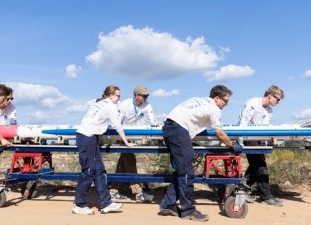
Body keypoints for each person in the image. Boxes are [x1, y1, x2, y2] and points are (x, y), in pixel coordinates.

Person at [159, 85, 242, 222]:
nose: (226, 104)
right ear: (216, 98)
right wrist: (232, 145)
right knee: (186, 173)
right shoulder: (214, 109)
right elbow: (219, 133)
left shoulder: (198, 100)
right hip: (179, 130)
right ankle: (188, 211)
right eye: (225, 101)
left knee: (181, 170)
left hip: (170, 128)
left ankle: (168, 204)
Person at [72, 85, 136, 215]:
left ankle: (106, 203)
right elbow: (117, 125)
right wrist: (126, 142)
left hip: (90, 138)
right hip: (87, 138)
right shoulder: (109, 106)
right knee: (89, 171)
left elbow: (96, 122)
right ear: (111, 95)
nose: (119, 98)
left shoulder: (98, 104)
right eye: (118, 95)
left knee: (99, 170)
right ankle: (79, 205)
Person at [238, 85, 285, 207]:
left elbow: (264, 127)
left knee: (256, 168)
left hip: (257, 142)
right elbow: (244, 122)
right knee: (261, 168)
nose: (278, 102)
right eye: (278, 99)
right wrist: (241, 141)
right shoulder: (253, 103)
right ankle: (266, 196)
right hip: (247, 140)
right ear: (270, 95)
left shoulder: (269, 111)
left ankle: (240, 189)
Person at [110, 85, 157, 202]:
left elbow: (153, 119)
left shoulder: (147, 105)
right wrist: (120, 137)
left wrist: (157, 133)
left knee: (123, 164)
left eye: (147, 95)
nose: (146, 97)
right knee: (130, 161)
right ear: (137, 96)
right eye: (144, 95)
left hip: (134, 137)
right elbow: (117, 121)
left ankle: (113, 191)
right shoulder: (125, 104)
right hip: (123, 136)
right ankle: (138, 192)